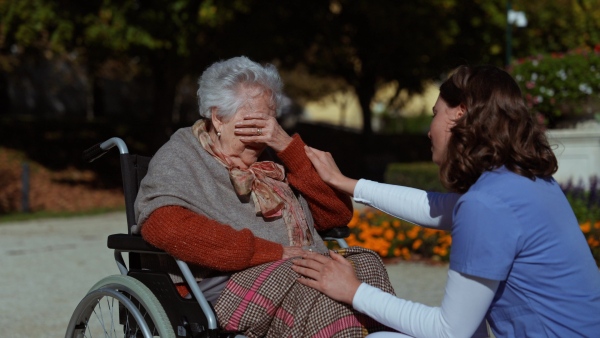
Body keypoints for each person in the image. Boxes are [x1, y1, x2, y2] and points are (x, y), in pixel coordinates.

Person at [292, 65, 600, 337]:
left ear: (460, 114)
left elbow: (449, 330)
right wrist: (347, 183)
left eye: (435, 114)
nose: (429, 131)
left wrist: (353, 290)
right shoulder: (526, 181)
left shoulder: (487, 205)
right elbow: (437, 208)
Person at [134, 56, 394, 337]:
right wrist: (272, 252)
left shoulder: (273, 156)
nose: (264, 136)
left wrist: (286, 146)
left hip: (290, 266)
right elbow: (163, 225)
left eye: (271, 121)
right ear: (219, 117)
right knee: (316, 287)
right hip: (222, 282)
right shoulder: (182, 155)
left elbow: (336, 215)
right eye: (255, 124)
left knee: (365, 266)